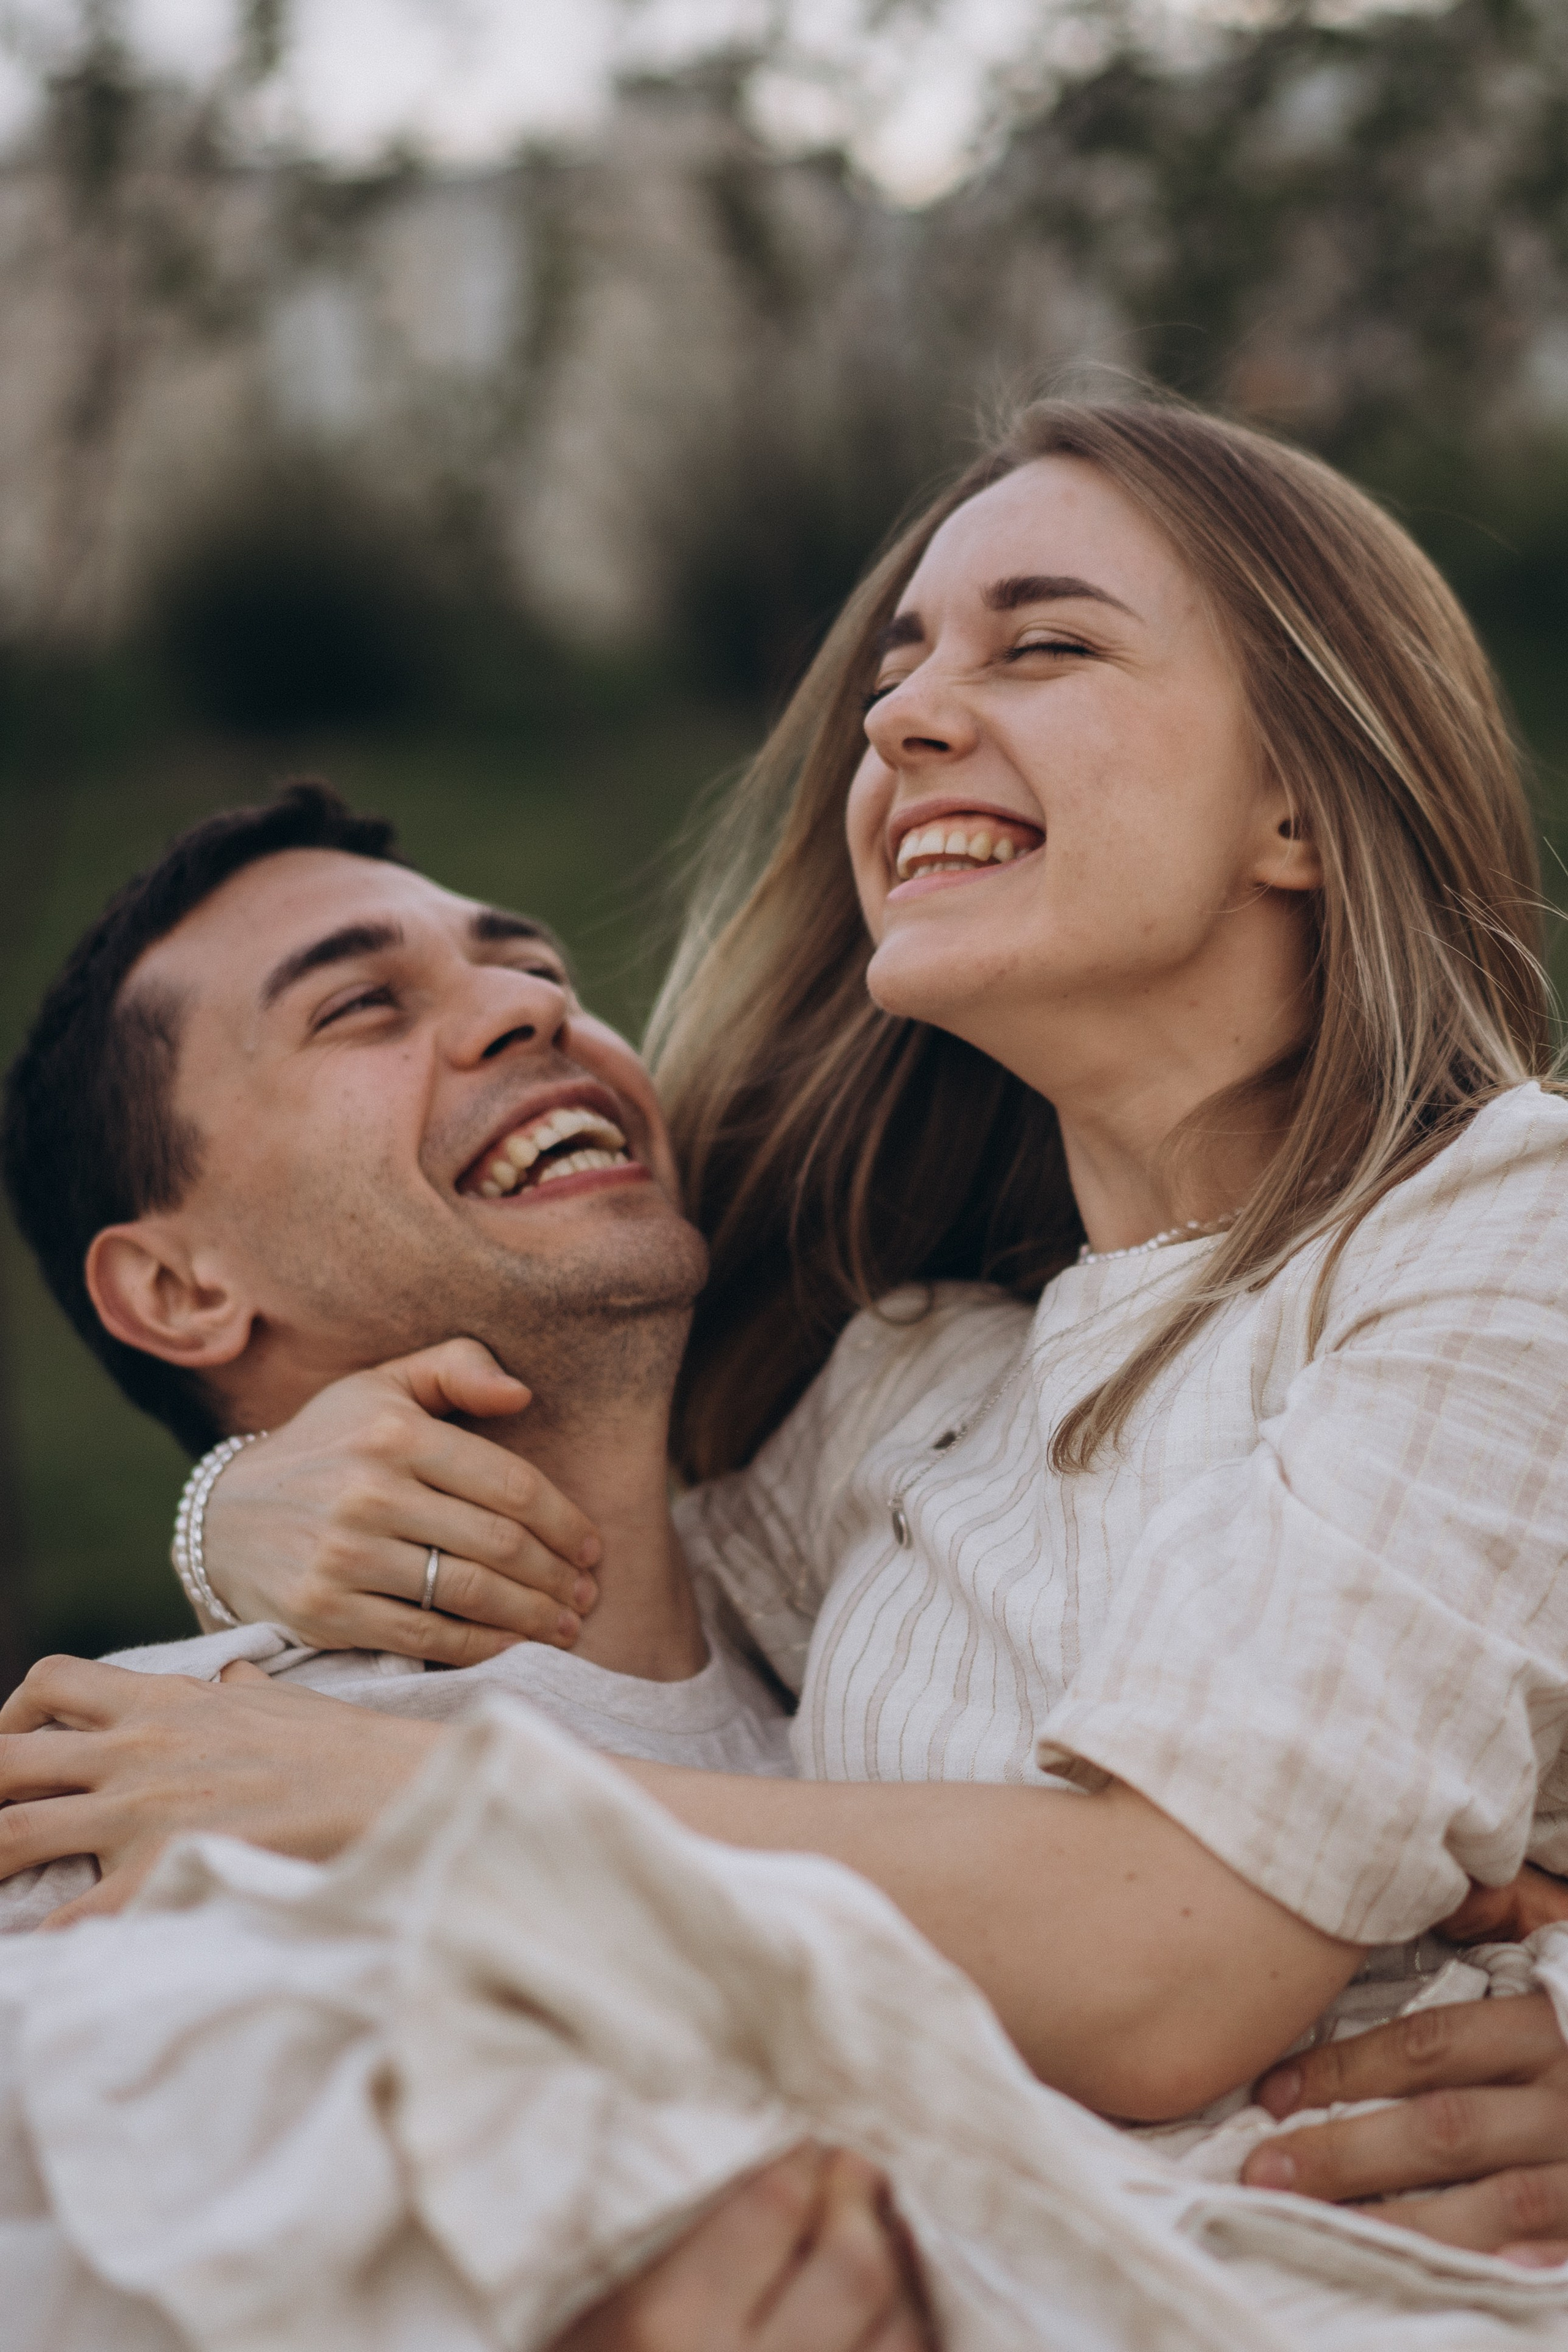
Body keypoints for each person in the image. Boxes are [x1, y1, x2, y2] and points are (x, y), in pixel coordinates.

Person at [7, 401, 1568, 2257]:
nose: (899, 719)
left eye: (1045, 642)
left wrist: (402, 1795)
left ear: (1302, 803)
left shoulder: (1498, 1219)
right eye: (896, 669)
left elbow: (1170, 1945)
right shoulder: (903, 1396)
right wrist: (231, 1503)